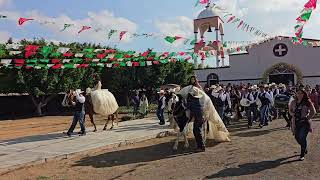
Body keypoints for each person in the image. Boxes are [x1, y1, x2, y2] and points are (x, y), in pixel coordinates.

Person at [289, 88, 316, 161]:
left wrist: (307, 118)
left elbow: (313, 111)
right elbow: (290, 111)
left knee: (302, 137)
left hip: (304, 123)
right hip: (295, 122)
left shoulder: (307, 102)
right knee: (297, 137)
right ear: (296, 94)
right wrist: (292, 114)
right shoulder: (293, 102)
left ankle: (302, 154)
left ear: (304, 94)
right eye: (298, 93)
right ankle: (304, 147)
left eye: (301, 93)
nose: (299, 95)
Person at [186, 86, 206, 152]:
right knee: (197, 131)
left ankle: (201, 147)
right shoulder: (199, 100)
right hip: (201, 117)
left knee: (197, 131)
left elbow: (187, 107)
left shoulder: (193, 101)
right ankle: (200, 146)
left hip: (198, 118)